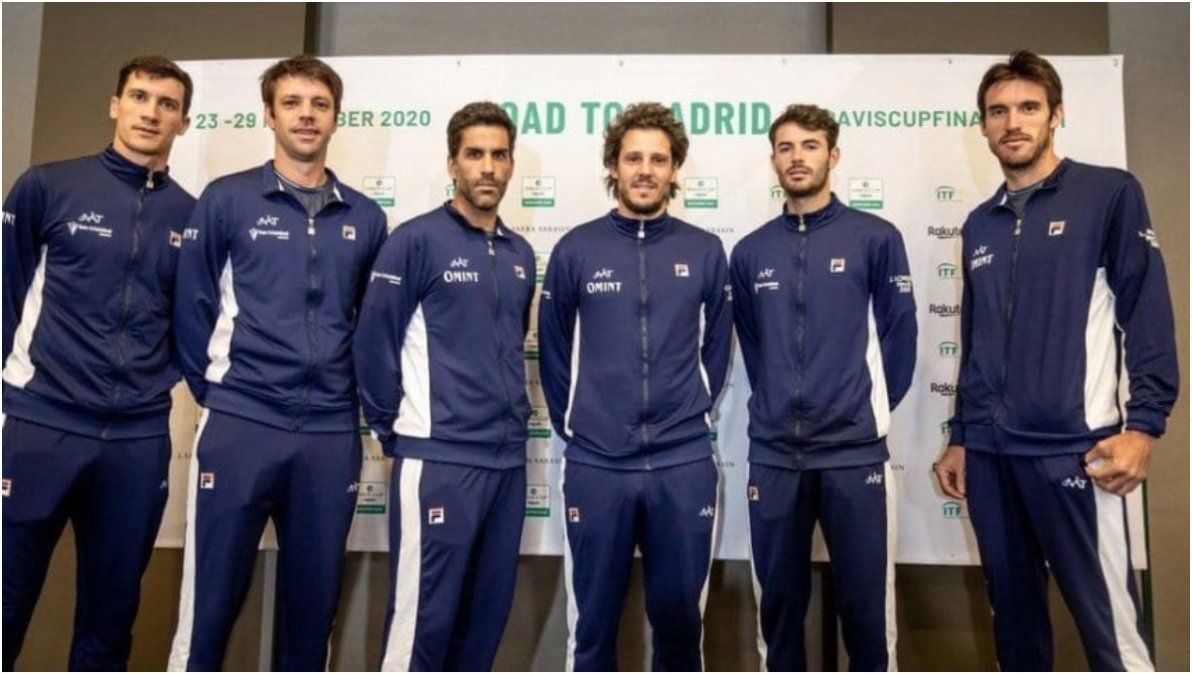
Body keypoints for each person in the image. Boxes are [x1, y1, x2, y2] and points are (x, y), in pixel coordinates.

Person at [934, 50, 1177, 672]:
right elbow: (976, 339)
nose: (1012, 122)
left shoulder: (1109, 194)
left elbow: (1146, 312)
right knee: (1015, 634)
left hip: (1076, 451)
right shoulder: (980, 224)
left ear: (1055, 115)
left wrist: (1145, 425)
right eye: (998, 111)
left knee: (1112, 636)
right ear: (983, 126)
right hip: (991, 456)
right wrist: (961, 435)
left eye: (1028, 108)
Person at [167, 55, 387, 671]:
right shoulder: (227, 199)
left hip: (329, 433)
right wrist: (224, 394)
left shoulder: (366, 217)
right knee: (209, 606)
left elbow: (370, 326)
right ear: (269, 114)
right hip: (243, 422)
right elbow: (191, 306)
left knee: (312, 615)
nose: (306, 116)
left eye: (319, 105)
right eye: (292, 103)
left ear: (335, 118)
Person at [1, 55, 195, 672]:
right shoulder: (47, 187)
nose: (150, 113)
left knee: (109, 625)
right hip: (40, 424)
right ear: (115, 105)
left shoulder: (191, 215)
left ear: (184, 122)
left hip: (136, 441)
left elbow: (193, 324)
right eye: (139, 97)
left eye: (167, 104)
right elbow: (5, 295)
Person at [537, 102, 733, 671]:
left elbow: (716, 351)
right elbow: (554, 354)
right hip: (598, 463)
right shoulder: (576, 250)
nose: (645, 170)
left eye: (658, 159)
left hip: (682, 462)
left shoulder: (704, 251)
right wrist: (583, 427)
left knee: (679, 626)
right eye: (633, 159)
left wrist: (687, 416)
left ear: (674, 169)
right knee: (593, 628)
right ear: (613, 166)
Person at [730, 103, 917, 671]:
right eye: (786, 148)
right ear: (773, 160)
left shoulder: (875, 238)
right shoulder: (751, 252)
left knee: (865, 613)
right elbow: (755, 349)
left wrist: (859, 411)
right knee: (780, 611)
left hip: (854, 455)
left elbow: (900, 341)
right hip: (774, 458)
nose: (797, 158)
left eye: (810, 146)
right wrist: (779, 406)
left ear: (833, 155)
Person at [354, 102, 536, 672]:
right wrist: (396, 432)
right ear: (453, 163)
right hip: (439, 460)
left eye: (499, 155)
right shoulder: (416, 241)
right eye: (474, 154)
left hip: (506, 463)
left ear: (511, 164)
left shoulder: (520, 253)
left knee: (483, 626)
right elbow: (373, 344)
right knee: (422, 628)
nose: (488, 167)